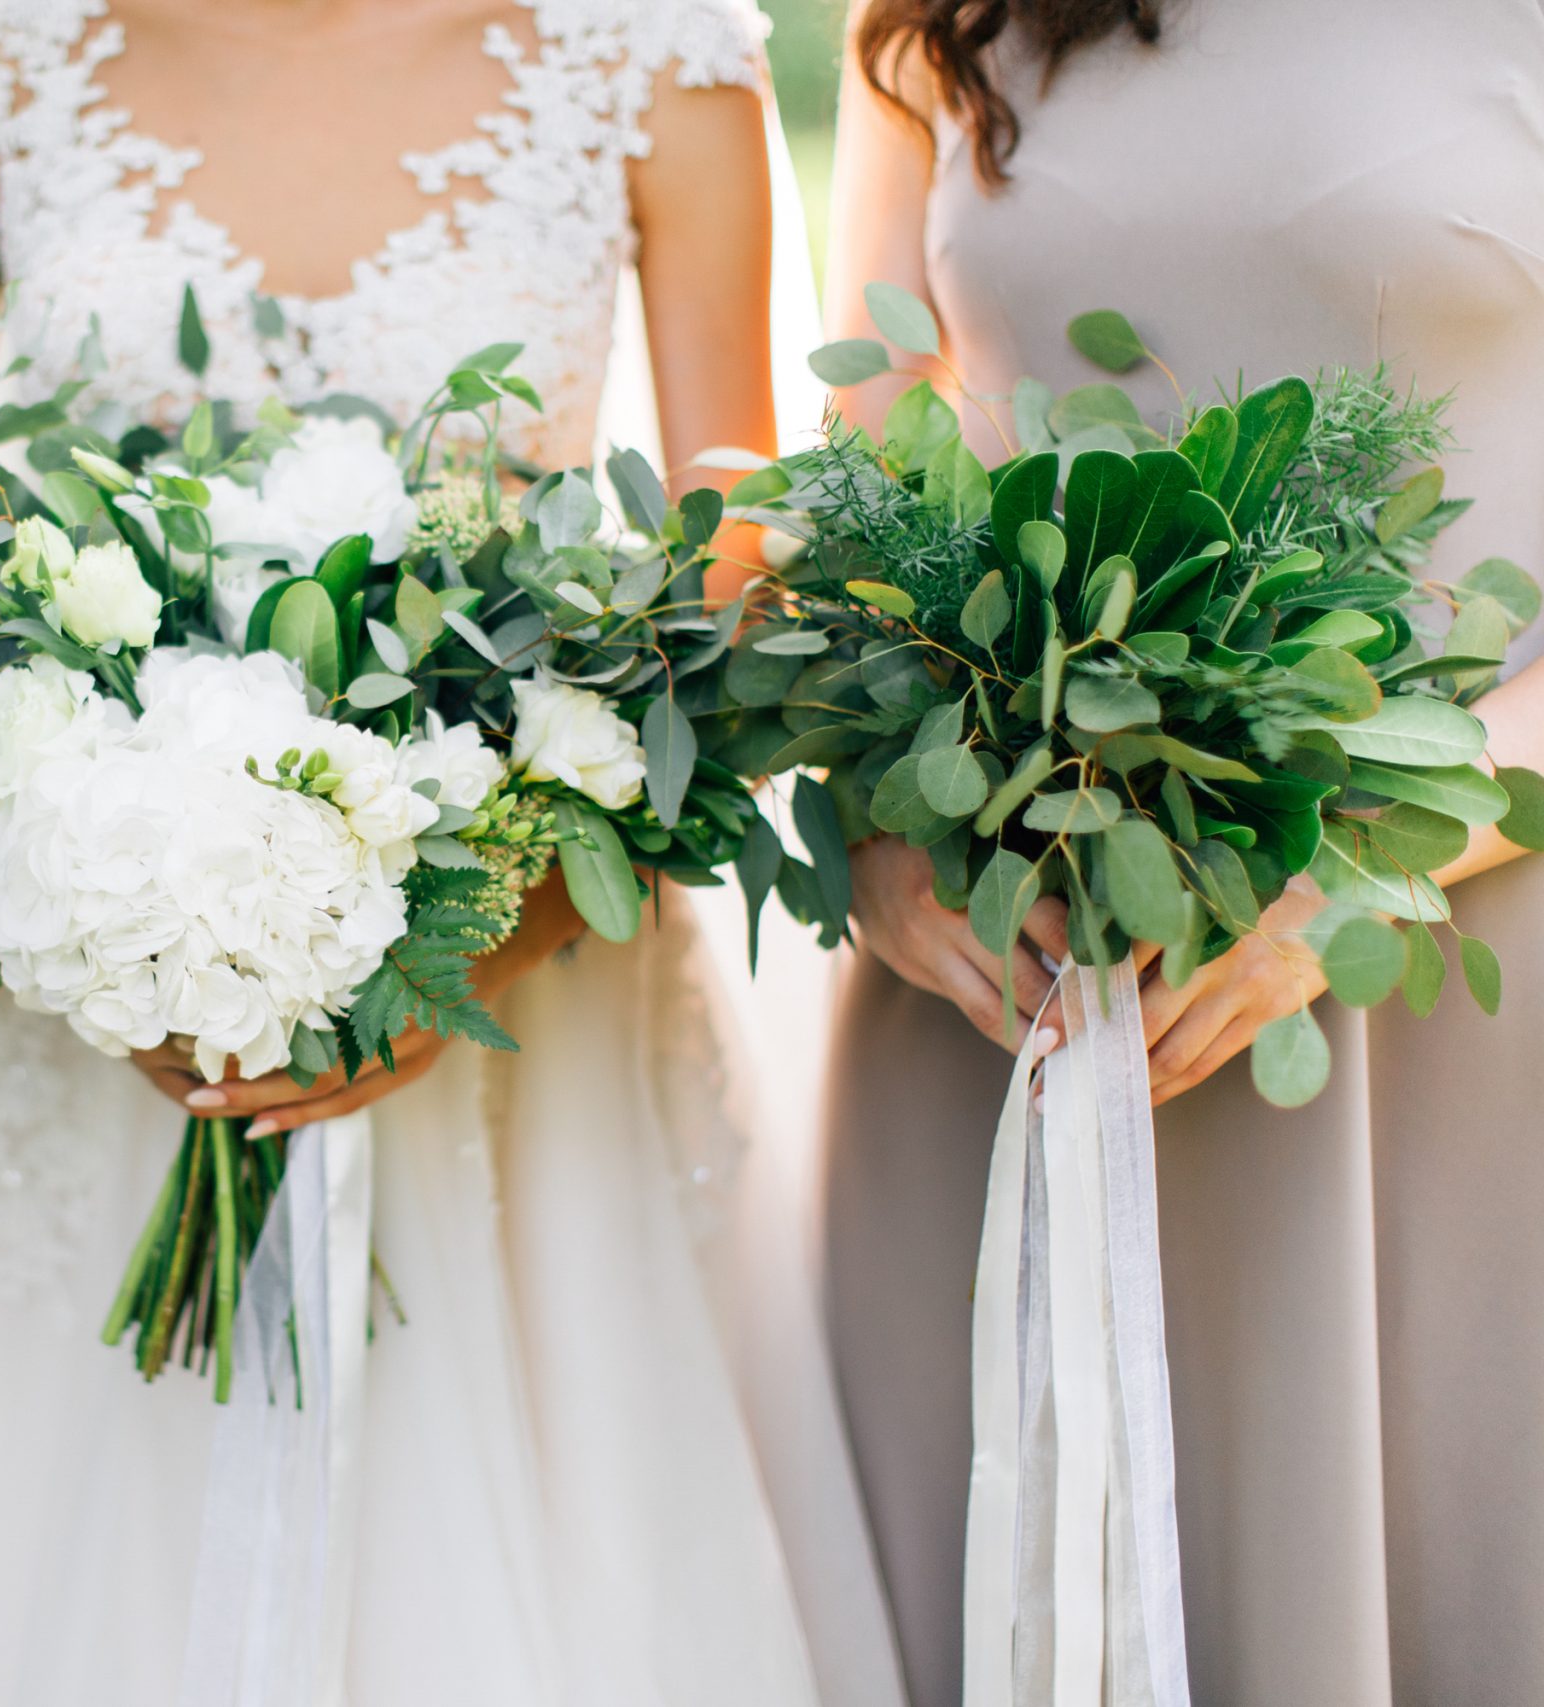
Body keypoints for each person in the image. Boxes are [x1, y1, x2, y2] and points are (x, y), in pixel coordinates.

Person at [0, 2, 893, 1702]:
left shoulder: (650, 57)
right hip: (80, 1021)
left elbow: (737, 563)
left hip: (515, 1014)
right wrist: (88, 896)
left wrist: (494, 927)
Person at [815, 1, 1544, 1701]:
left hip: (1455, 970)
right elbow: (865, 431)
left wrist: (1383, 852)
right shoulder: (930, 16)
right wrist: (870, 817)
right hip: (1010, 974)